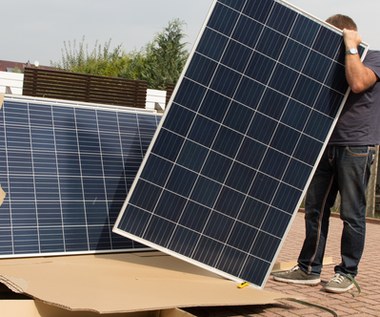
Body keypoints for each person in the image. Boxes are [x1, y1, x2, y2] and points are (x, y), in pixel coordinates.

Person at [272, 14, 380, 294]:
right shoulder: (330, 66)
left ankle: (347, 272)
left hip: (356, 146)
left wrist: (351, 46)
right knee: (315, 210)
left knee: (352, 213)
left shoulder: (374, 58)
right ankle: (309, 268)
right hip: (326, 145)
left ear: (348, 35)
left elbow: (357, 83)